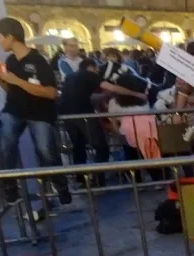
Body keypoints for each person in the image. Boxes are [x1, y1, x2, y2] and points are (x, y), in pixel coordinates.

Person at [0, 17, 71, 207]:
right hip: (14, 110)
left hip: (39, 113)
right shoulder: (11, 60)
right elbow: (12, 90)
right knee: (5, 143)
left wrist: (17, 81)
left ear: (10, 37)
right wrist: (2, 80)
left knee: (46, 151)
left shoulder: (38, 60)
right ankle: (10, 187)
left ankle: (62, 187)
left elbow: (51, 92)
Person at [58, 59, 146, 187]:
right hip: (84, 115)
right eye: (96, 69)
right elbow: (112, 87)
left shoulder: (70, 77)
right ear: (91, 67)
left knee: (78, 147)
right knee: (101, 147)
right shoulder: (90, 75)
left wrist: (107, 96)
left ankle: (81, 179)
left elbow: (88, 97)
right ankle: (98, 178)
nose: (98, 72)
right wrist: (136, 94)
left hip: (67, 116)